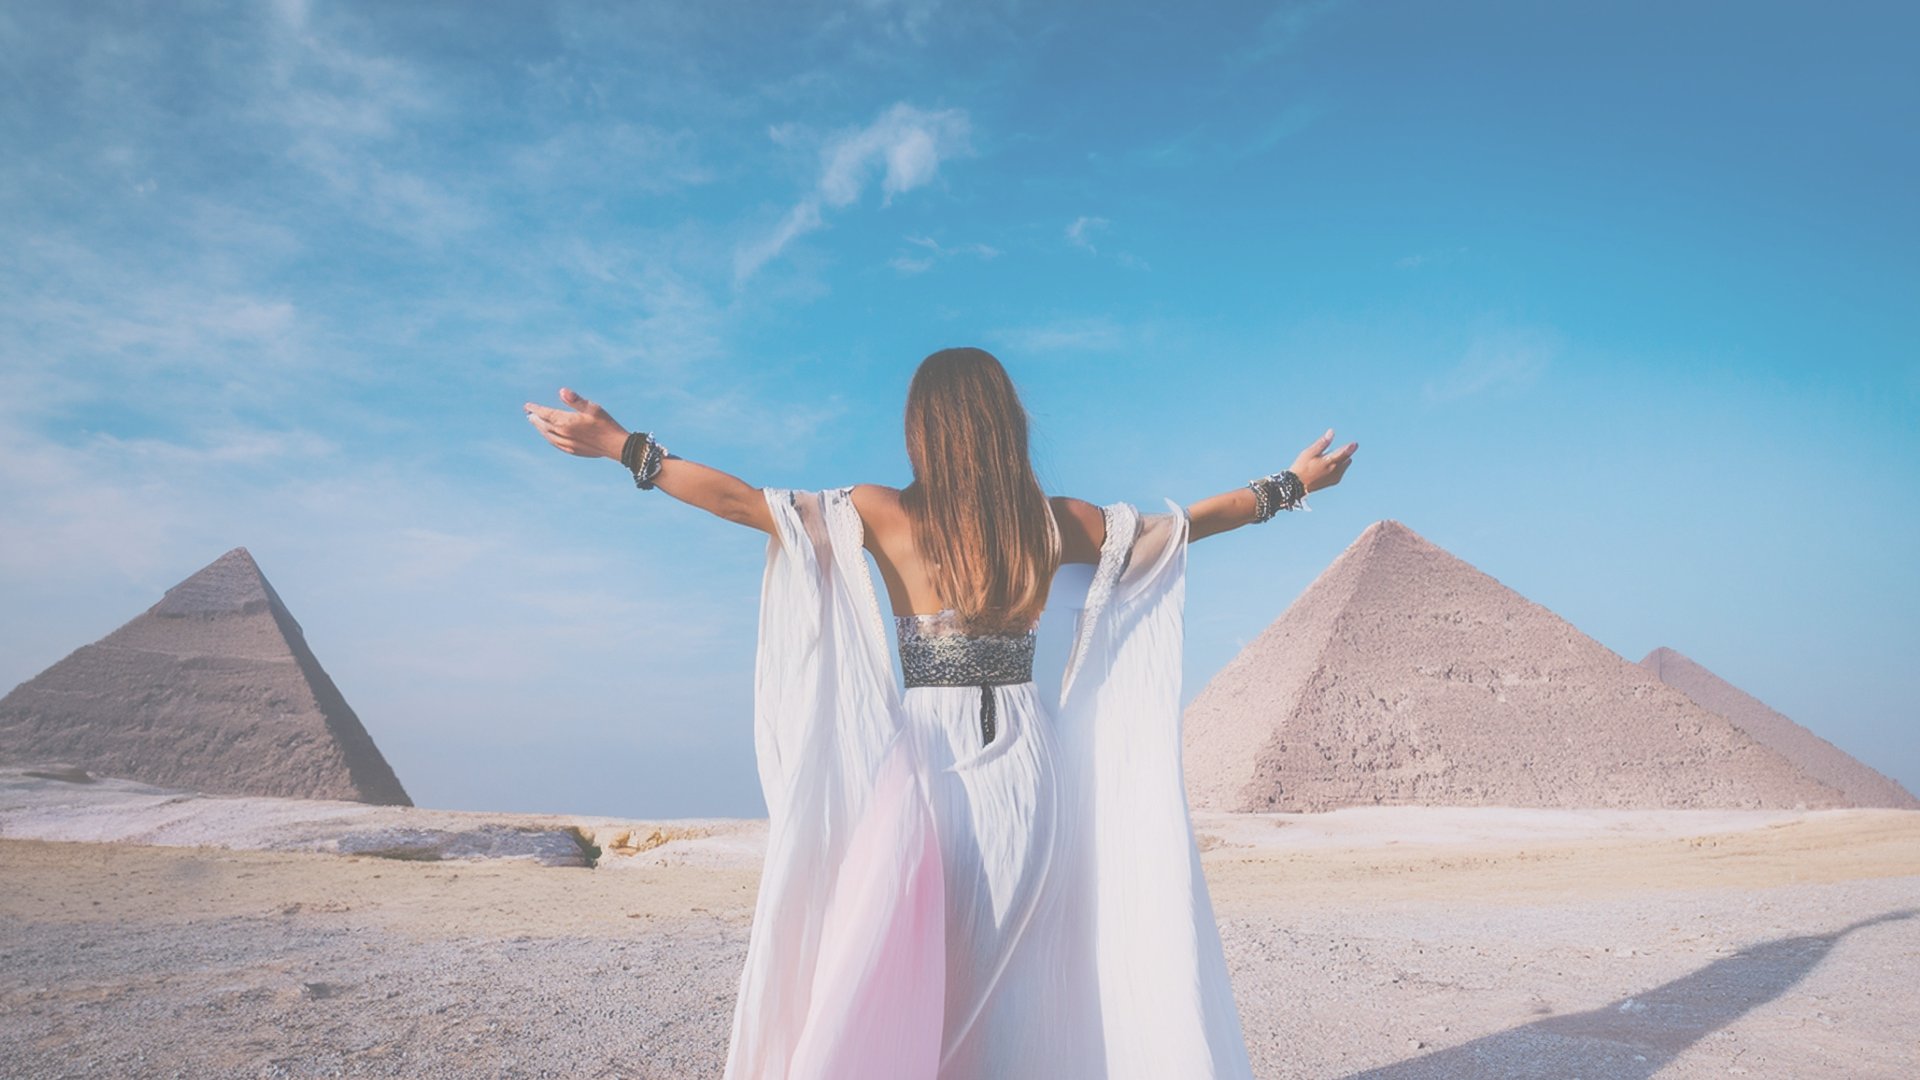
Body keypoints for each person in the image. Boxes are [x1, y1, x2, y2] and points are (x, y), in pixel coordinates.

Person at [524, 347, 1357, 1080]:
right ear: (1007, 426)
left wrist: (621, 446)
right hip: (1030, 771)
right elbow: (1183, 528)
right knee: (1014, 976)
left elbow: (745, 503)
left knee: (904, 964)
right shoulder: (1050, 523)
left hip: (924, 765)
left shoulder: (881, 513)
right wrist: (1291, 484)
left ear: (923, 428)